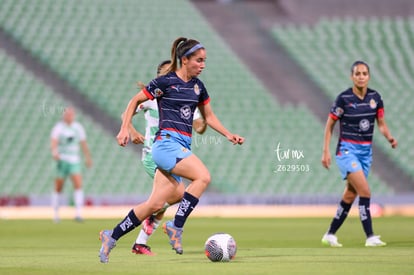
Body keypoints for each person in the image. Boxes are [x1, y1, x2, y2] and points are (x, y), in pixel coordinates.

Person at [99, 37, 244, 263]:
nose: (203, 65)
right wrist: (124, 128)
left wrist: (228, 134)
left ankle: (112, 235)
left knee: (156, 204)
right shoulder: (165, 82)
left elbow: (209, 117)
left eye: (205, 61)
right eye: (199, 60)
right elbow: (135, 101)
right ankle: (176, 226)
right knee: (203, 177)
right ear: (184, 60)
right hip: (166, 145)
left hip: (179, 147)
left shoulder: (198, 87)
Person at [128, 60, 207, 256]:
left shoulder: (184, 97)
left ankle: (139, 242)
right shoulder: (150, 98)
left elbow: (199, 126)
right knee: (174, 195)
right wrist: (131, 131)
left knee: (164, 201)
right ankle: (138, 233)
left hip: (173, 153)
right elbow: (126, 113)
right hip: (153, 154)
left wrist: (205, 122)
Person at [321, 61, 397, 247]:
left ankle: (330, 234)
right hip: (347, 151)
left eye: (364, 73)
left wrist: (389, 138)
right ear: (352, 76)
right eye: (357, 73)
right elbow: (330, 124)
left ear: (368, 76)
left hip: (365, 153)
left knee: (350, 195)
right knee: (365, 191)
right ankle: (370, 236)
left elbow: (380, 123)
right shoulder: (344, 99)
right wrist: (326, 151)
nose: (361, 76)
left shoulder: (375, 98)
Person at [50, 107, 92, 222]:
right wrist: (55, 152)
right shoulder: (58, 128)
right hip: (62, 159)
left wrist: (87, 158)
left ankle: (78, 213)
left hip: (74, 159)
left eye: (71, 114)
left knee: (78, 184)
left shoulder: (78, 127)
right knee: (59, 186)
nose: (69, 116)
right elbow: (53, 142)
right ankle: (56, 213)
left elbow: (83, 143)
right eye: (67, 114)